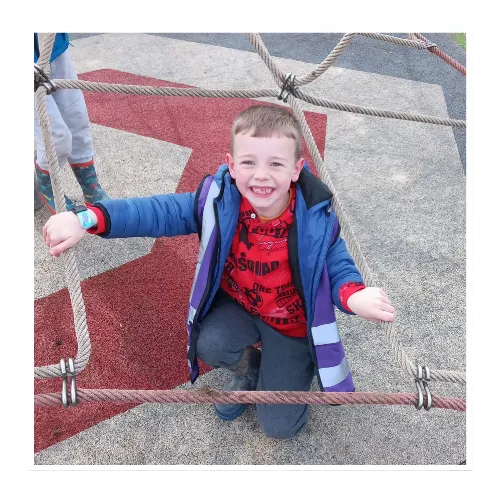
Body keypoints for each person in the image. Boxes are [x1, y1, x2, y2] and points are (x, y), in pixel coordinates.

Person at [42, 104, 396, 439]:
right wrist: (86, 219)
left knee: (279, 428)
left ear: (296, 169)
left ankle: (292, 368)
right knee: (207, 342)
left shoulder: (315, 219)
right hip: (242, 308)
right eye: (249, 162)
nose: (261, 175)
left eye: (275, 164)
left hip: (291, 325)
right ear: (231, 164)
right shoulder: (218, 200)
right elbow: (157, 211)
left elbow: (337, 262)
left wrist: (354, 295)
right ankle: (250, 368)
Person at [34, 33, 109, 214]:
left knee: (77, 120)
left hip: (52, 44)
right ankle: (46, 186)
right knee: (56, 138)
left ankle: (91, 187)